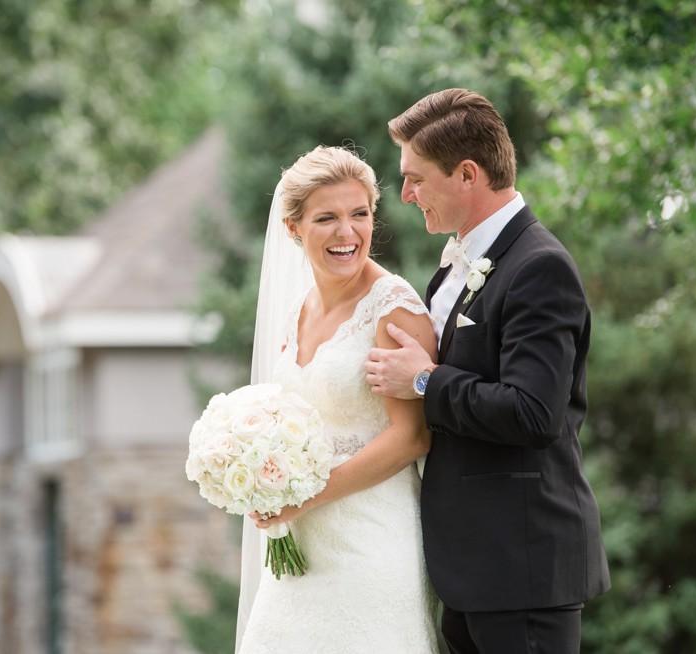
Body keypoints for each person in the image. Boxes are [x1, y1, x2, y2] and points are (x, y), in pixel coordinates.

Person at [365, 88, 611, 653]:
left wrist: (424, 381)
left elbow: (533, 413)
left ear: (468, 174)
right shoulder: (457, 264)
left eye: (416, 178)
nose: (404, 195)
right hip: (472, 572)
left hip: (521, 568)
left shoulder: (539, 266)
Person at [236, 145, 441, 653]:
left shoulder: (393, 306)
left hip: (370, 540)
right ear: (293, 228)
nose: (348, 233)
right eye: (327, 218)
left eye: (360, 215)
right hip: (301, 542)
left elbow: (412, 436)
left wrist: (304, 496)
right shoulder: (296, 311)